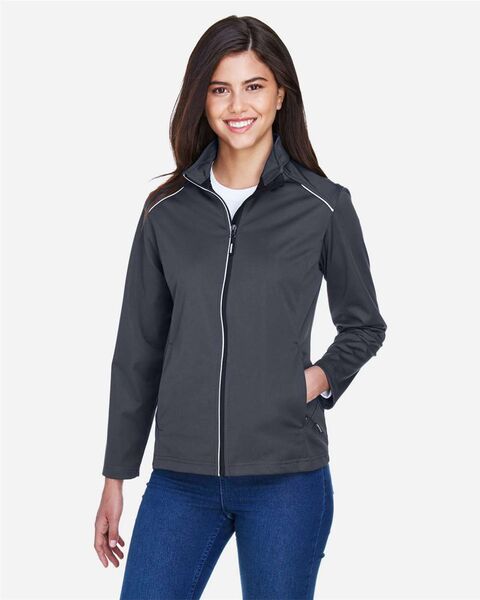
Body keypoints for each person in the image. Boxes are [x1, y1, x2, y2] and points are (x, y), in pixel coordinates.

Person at [94, 14, 387, 600]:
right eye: (220, 88)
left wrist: (313, 381)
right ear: (201, 99)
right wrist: (115, 476)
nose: (237, 105)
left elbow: (363, 325)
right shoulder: (166, 212)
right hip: (181, 479)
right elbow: (138, 351)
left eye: (254, 86)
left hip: (287, 478)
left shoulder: (323, 206)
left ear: (280, 94)